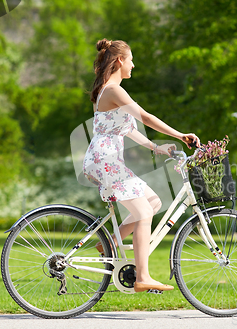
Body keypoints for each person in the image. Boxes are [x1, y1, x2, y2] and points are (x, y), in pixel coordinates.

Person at [83, 39, 201, 293]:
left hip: (106, 159)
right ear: (119, 61)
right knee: (145, 213)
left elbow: (128, 130)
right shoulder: (114, 90)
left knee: (153, 202)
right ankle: (142, 277)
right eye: (131, 59)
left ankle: (110, 242)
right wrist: (180, 135)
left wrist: (157, 148)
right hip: (106, 161)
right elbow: (145, 117)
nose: (134, 65)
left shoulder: (109, 90)